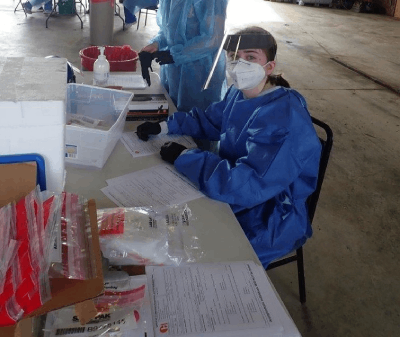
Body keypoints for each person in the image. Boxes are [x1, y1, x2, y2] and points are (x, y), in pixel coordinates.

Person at [135, 26, 322, 268]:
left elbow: (246, 186)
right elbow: (212, 120)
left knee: (198, 254)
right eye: (234, 57)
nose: (239, 64)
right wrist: (164, 126)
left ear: (270, 67)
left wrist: (185, 157)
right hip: (233, 190)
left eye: (251, 57)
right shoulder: (239, 92)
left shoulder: (284, 119)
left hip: (270, 215)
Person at [140, 0, 228, 112]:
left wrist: (176, 54)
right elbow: (167, 30)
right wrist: (155, 45)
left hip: (201, 72)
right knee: (172, 111)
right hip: (173, 70)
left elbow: (212, 38)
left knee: (198, 119)